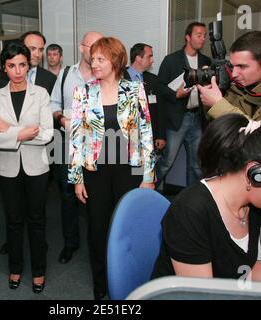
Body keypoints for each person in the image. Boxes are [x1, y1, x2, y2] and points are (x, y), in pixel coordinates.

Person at [151, 113, 261, 284]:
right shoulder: (190, 211)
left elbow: (245, 267)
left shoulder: (251, 205)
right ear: (257, 174)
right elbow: (201, 295)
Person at [68, 37, 155, 300]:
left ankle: (129, 280)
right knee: (97, 229)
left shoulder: (134, 90)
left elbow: (146, 134)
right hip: (95, 172)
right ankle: (101, 285)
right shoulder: (82, 92)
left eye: (100, 59)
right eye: (92, 59)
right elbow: (76, 137)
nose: (94, 63)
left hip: (128, 171)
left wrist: (148, 176)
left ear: (115, 61)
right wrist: (77, 178)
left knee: (127, 226)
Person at [0, 42, 53, 293]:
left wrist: (11, 131)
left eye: (22, 64)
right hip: (7, 168)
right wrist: (24, 133)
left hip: (37, 167)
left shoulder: (41, 94)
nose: (17, 70)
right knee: (13, 221)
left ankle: (39, 271)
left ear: (29, 65)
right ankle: (15, 268)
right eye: (12, 65)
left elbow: (46, 134)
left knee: (37, 220)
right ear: (4, 68)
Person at [50, 31, 103, 265]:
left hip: (99, 147)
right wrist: (61, 119)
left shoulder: (105, 75)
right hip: (67, 144)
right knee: (68, 195)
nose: (95, 51)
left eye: (100, 46)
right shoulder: (64, 75)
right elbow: (53, 105)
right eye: (91, 46)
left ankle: (99, 243)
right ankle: (71, 243)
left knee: (97, 195)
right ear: (82, 48)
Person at [155, 22, 211, 188]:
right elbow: (159, 88)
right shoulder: (171, 60)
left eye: (205, 35)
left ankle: (190, 200)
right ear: (188, 37)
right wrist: (175, 95)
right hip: (177, 119)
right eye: (198, 35)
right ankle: (147, 193)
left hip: (198, 118)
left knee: (196, 165)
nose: (203, 39)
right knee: (167, 162)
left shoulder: (205, 61)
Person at [124, 43, 166, 151]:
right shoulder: (119, 77)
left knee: (146, 166)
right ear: (138, 58)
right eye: (149, 56)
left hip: (148, 135)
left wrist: (161, 135)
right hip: (125, 134)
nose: (152, 60)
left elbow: (160, 109)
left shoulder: (153, 80)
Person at [0, 31, 56, 95]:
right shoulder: (1, 77)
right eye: (32, 49)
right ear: (22, 48)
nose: (37, 54)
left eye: (41, 50)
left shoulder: (50, 78)